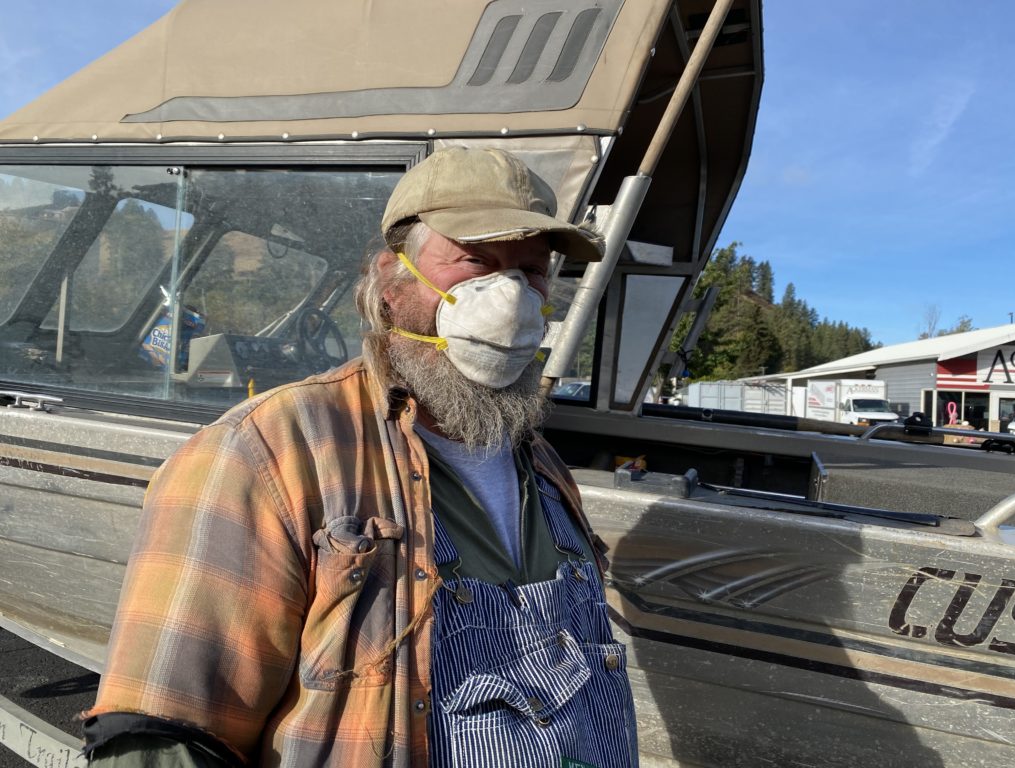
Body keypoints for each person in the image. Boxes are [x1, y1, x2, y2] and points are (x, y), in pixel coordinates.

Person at [83, 147, 639, 767]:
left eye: (530, 271)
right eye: (475, 262)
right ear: (391, 279)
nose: (507, 298)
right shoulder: (270, 451)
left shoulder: (541, 466)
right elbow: (168, 732)